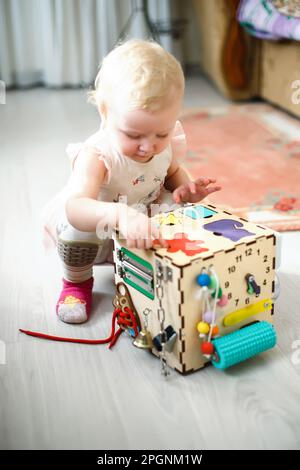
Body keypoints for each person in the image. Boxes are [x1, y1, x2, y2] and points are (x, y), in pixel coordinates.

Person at [42, 39, 221, 325]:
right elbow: (75, 207)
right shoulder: (98, 155)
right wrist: (119, 215)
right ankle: (76, 284)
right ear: (105, 113)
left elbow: (173, 173)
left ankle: (154, 268)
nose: (148, 147)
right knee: (74, 229)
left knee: (184, 214)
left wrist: (186, 189)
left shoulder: (167, 142)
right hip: (99, 229)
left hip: (142, 225)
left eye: (160, 135)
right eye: (134, 135)